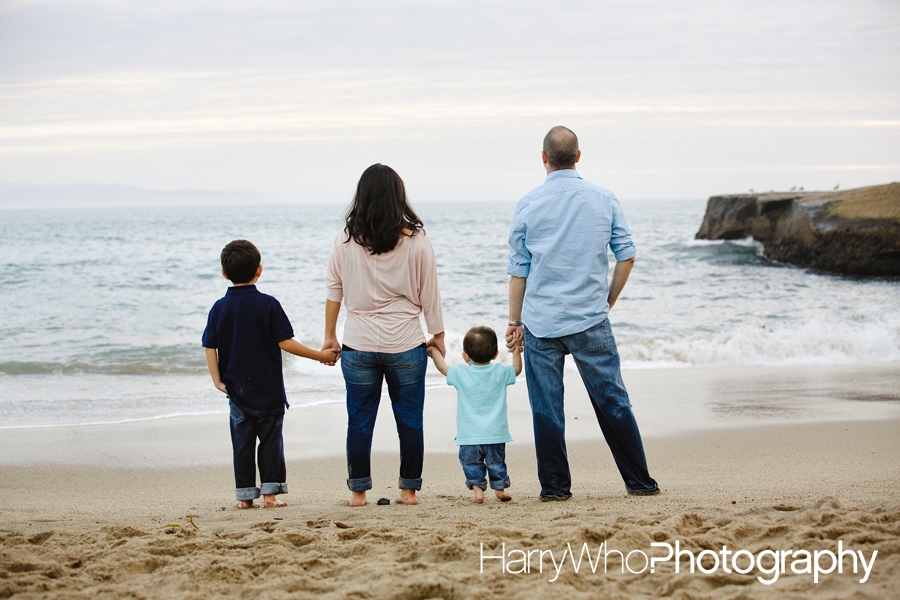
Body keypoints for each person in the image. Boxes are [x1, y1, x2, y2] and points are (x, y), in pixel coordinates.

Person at [505, 126, 659, 501]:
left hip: (541, 323)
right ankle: (639, 482)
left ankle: (556, 489)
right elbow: (627, 254)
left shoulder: (527, 204)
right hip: (591, 318)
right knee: (612, 402)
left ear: (543, 159)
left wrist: (514, 323)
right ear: (578, 156)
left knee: (547, 411)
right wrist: (608, 301)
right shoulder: (603, 198)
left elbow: (518, 269)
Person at [323, 164, 445, 507]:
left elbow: (334, 291)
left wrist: (330, 336)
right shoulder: (417, 241)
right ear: (398, 197)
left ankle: (358, 492)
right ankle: (408, 491)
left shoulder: (344, 241)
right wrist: (438, 334)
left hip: (358, 343)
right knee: (409, 420)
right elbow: (430, 293)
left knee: (359, 421)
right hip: (406, 343)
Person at [203, 239, 338, 509]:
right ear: (259, 270)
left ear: (224, 274)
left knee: (241, 444)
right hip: (268, 389)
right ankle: (270, 495)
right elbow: (285, 342)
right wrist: (321, 355)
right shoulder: (268, 304)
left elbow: (210, 345)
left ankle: (244, 498)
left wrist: (217, 380)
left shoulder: (219, 307)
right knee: (270, 442)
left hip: (236, 390)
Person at [427, 326, 521, 503]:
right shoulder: (500, 372)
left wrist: (433, 350)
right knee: (497, 463)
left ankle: (478, 492)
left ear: (465, 356)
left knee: (471, 464)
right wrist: (516, 350)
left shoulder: (461, 373)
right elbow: (516, 369)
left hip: (469, 436)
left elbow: (442, 367)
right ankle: (499, 490)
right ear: (495, 355)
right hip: (495, 434)